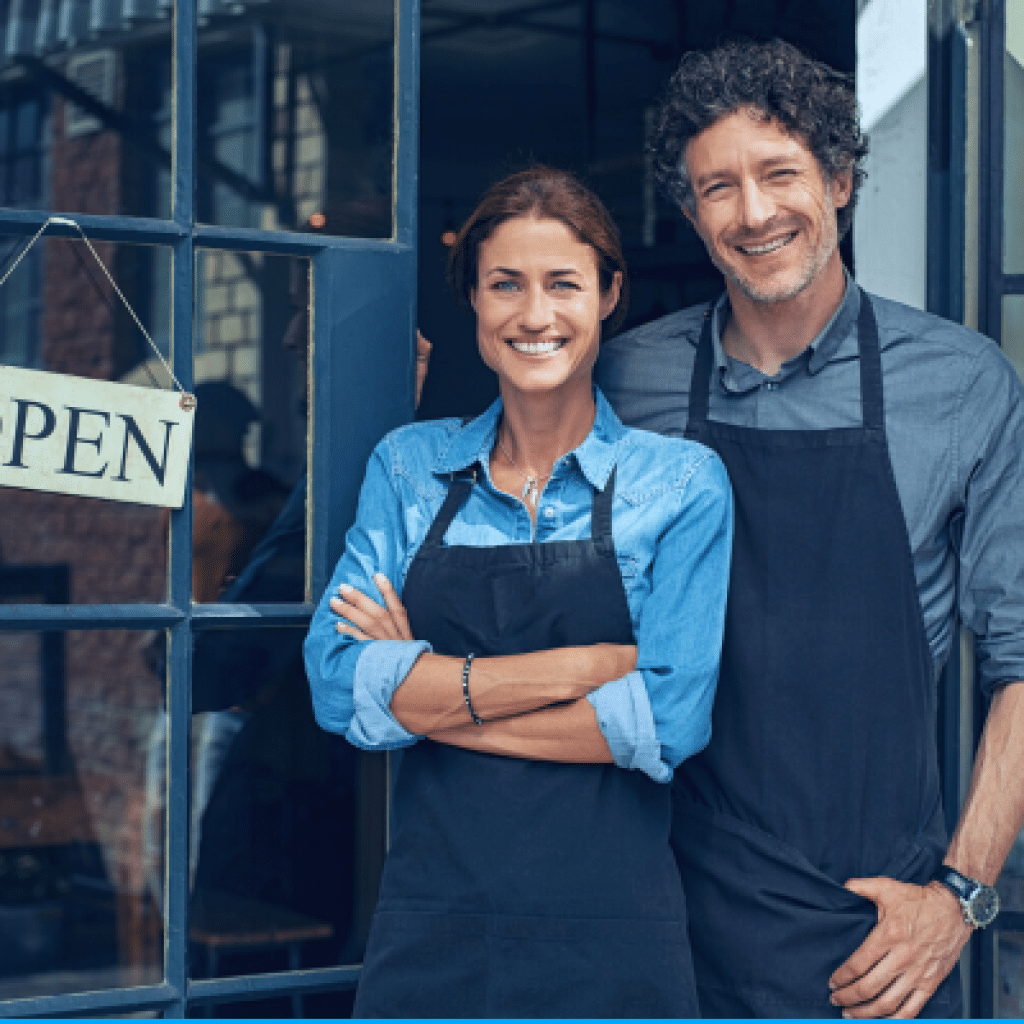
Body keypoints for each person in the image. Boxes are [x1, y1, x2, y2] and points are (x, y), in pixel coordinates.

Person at [597, 37, 1024, 1020]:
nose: (753, 213)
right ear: (690, 212)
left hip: (874, 930)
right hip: (659, 899)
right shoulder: (626, 381)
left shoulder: (958, 386)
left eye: (778, 172)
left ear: (837, 180)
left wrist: (958, 898)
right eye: (717, 187)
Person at [303, 166, 733, 1017]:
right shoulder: (409, 467)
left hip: (614, 941)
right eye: (505, 284)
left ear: (609, 294)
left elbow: (670, 722)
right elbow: (333, 682)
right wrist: (585, 668)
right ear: (473, 301)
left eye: (563, 284)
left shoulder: (680, 484)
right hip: (433, 931)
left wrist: (427, 697)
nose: (534, 315)